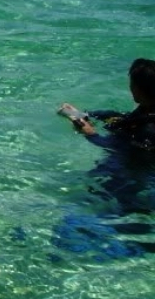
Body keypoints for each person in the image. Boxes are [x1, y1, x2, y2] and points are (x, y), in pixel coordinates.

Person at [52, 58, 155, 259]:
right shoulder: (147, 111)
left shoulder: (150, 129)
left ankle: (137, 246)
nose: (130, 88)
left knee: (114, 208)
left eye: (132, 84)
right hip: (135, 171)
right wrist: (83, 114)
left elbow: (122, 150)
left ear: (140, 90)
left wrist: (91, 135)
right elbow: (122, 120)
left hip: (135, 176)